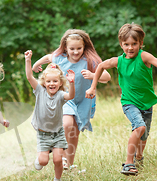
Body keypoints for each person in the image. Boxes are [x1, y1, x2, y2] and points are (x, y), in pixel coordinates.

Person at [85, 23, 157, 175]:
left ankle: (138, 157)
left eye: (134, 44)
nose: (130, 48)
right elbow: (101, 66)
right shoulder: (118, 61)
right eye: (126, 44)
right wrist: (92, 87)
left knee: (143, 136)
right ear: (121, 44)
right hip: (129, 102)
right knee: (139, 127)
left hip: (147, 102)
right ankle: (128, 163)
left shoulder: (144, 56)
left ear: (140, 43)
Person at [32, 29, 111, 170]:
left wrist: (93, 75)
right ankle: (60, 154)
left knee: (75, 132)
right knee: (67, 124)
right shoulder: (60, 58)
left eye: (79, 48)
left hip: (83, 101)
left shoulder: (90, 61)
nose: (75, 52)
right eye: (72, 49)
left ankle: (68, 164)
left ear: (84, 47)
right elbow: (49, 57)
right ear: (66, 48)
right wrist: (36, 64)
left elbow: (107, 77)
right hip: (65, 98)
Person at [25, 50, 75, 181]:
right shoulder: (39, 91)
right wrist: (28, 60)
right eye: (48, 81)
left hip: (57, 133)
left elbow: (71, 96)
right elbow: (29, 76)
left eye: (55, 81)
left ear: (60, 83)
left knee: (58, 159)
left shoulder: (60, 95)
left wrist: (72, 83)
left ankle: (57, 180)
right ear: (44, 82)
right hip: (43, 133)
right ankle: (42, 155)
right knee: (43, 161)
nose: (51, 84)